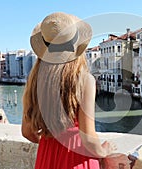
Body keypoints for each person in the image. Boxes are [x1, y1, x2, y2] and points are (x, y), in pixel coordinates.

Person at [21, 12, 129, 168]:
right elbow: (88, 139)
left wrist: (53, 144)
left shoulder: (35, 80)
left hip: (47, 157)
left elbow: (27, 132)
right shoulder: (84, 80)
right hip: (76, 158)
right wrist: (104, 150)